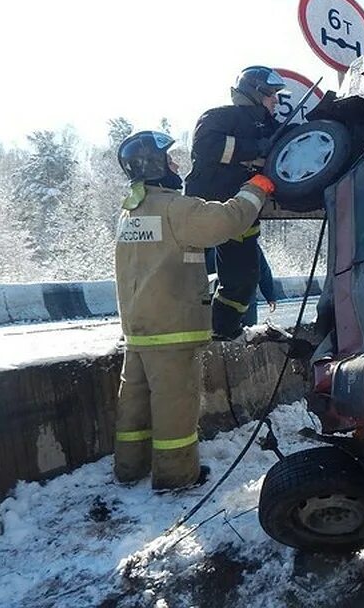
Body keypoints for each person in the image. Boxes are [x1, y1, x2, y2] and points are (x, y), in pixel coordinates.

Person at [114, 130, 275, 490]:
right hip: (172, 330)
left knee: (134, 404)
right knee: (176, 407)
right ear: (154, 164)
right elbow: (227, 220)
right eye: (169, 159)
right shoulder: (174, 208)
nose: (175, 165)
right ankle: (176, 476)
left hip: (138, 329)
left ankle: (129, 468)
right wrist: (257, 188)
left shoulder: (130, 212)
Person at [185, 66, 287, 340]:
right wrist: (255, 149)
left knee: (243, 279)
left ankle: (224, 328)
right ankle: (176, 327)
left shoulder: (273, 128)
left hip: (242, 217)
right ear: (255, 92)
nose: (275, 101)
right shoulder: (218, 118)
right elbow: (206, 145)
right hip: (202, 210)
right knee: (183, 278)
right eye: (271, 95)